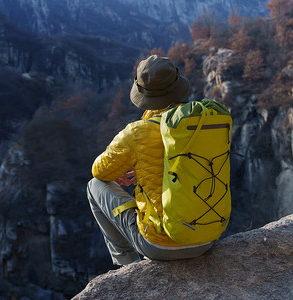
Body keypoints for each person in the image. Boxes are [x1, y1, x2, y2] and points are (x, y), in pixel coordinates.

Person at [87, 55, 214, 265]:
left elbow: (99, 171)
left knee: (94, 185)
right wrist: (147, 170)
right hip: (206, 238)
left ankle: (127, 266)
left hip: (159, 245)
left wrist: (139, 167)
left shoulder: (137, 133)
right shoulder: (203, 122)